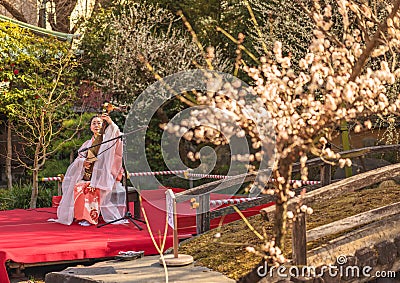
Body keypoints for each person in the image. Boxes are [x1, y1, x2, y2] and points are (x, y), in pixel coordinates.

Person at [53, 113, 126, 226]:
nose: (96, 125)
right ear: (90, 127)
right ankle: (79, 216)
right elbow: (79, 158)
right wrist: (84, 162)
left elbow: (117, 136)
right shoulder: (87, 143)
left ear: (104, 126)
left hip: (104, 177)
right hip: (89, 176)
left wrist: (111, 122)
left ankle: (89, 218)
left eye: (99, 123)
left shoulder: (108, 141)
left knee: (89, 189)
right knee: (79, 187)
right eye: (94, 123)